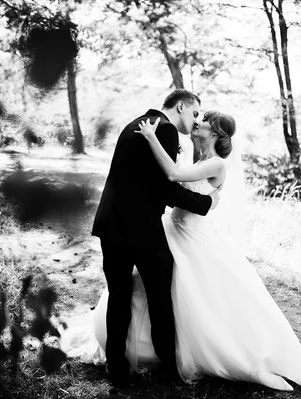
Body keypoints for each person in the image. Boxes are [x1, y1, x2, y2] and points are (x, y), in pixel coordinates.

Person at [62, 108, 301, 391]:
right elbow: (171, 183)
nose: (198, 121)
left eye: (205, 120)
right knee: (147, 293)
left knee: (189, 298)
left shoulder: (218, 165)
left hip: (192, 237)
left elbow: (172, 175)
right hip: (172, 231)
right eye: (198, 116)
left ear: (216, 132)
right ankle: (143, 356)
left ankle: (218, 355)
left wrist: (151, 137)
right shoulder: (199, 159)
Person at [89, 89, 221, 387]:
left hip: (110, 225)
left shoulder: (135, 124)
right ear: (181, 106)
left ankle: (117, 370)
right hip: (142, 231)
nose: (196, 120)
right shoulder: (166, 130)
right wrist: (206, 203)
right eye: (195, 113)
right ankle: (169, 371)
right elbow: (167, 189)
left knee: (119, 296)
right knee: (161, 298)